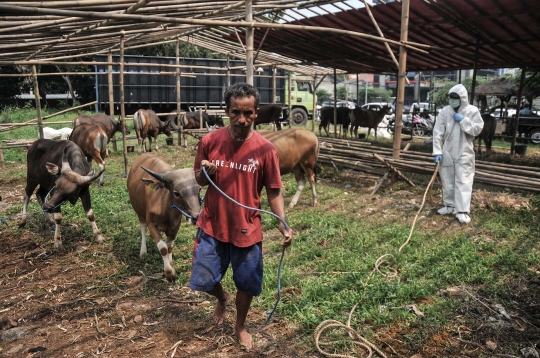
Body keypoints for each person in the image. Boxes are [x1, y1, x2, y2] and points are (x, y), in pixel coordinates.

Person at [191, 82, 293, 350]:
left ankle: (241, 325)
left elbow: (274, 192)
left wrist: (283, 224)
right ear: (227, 111)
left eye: (248, 113)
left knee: (247, 283)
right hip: (212, 224)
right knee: (204, 280)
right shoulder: (209, 142)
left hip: (247, 229)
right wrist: (207, 173)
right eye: (236, 112)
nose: (242, 119)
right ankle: (221, 297)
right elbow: (200, 181)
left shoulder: (265, 150)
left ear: (256, 113)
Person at [432, 84, 484, 224]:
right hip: (447, 151)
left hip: (464, 152)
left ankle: (462, 211)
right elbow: (438, 132)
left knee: (463, 180)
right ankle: (449, 206)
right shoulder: (444, 111)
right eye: (451, 97)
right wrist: (437, 151)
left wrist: (463, 120)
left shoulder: (472, 111)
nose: (452, 100)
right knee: (447, 179)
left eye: (456, 98)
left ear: (462, 98)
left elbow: (477, 129)